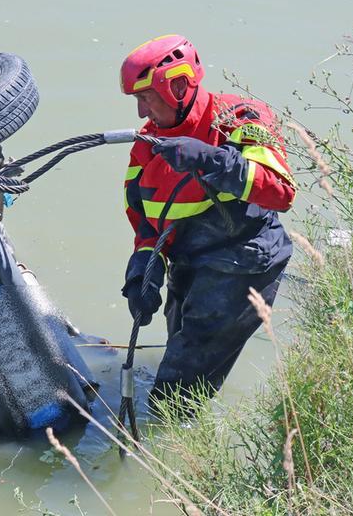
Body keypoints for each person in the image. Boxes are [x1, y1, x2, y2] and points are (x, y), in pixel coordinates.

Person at [118, 34, 296, 413]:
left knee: (174, 395)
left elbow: (280, 192)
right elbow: (147, 220)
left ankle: (168, 456)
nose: (140, 113)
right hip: (190, 262)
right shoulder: (148, 144)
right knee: (179, 356)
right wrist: (143, 269)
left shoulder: (240, 117)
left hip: (243, 263)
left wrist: (212, 160)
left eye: (145, 98)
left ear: (179, 85)